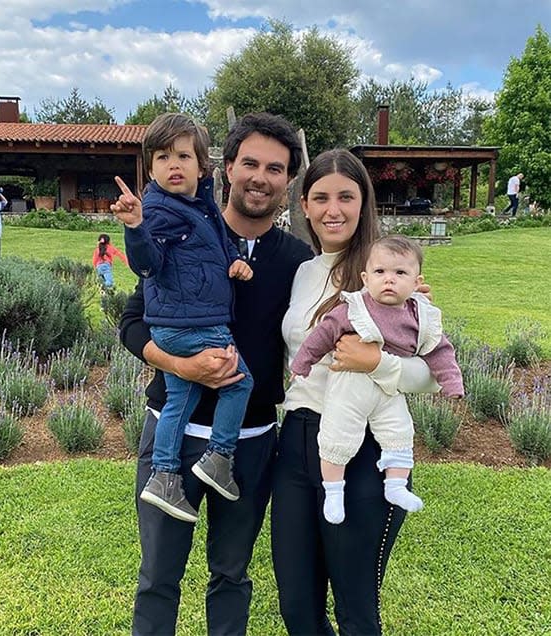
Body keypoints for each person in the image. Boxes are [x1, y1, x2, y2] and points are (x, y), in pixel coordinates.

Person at [116, 112, 314, 635]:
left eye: (275, 168)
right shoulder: (182, 229)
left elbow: (348, 304)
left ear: (288, 180)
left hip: (249, 443)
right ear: (225, 169)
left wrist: (405, 300)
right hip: (173, 434)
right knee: (159, 575)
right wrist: (181, 365)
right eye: (249, 162)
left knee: (231, 573)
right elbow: (132, 323)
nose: (260, 177)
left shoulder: (299, 260)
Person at [274, 148, 439, 635]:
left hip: (365, 449)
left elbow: (429, 373)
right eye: (321, 197)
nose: (334, 209)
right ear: (304, 205)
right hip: (299, 441)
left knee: (355, 607)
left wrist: (379, 362)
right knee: (297, 607)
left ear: (363, 202)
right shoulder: (304, 271)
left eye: (346, 197)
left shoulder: (390, 274)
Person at [116, 112, 255, 524]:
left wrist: (235, 263)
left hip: (175, 324)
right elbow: (147, 264)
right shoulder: (157, 210)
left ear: (201, 165)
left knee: (181, 398)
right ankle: (220, 457)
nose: (172, 165)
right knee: (239, 382)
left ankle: (164, 476)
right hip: (194, 324)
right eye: (161, 157)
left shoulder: (202, 205)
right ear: (150, 167)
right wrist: (136, 226)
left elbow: (217, 244)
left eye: (182, 156)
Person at [291, 234, 464, 524]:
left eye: (400, 273)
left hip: (389, 391)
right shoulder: (355, 307)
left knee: (399, 432)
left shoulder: (420, 314)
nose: (389, 280)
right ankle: (333, 491)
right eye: (380, 272)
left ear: (416, 280)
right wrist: (302, 363)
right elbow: (322, 335)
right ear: (366, 277)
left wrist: (452, 383)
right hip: (350, 386)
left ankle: (395, 485)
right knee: (338, 436)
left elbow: (439, 350)